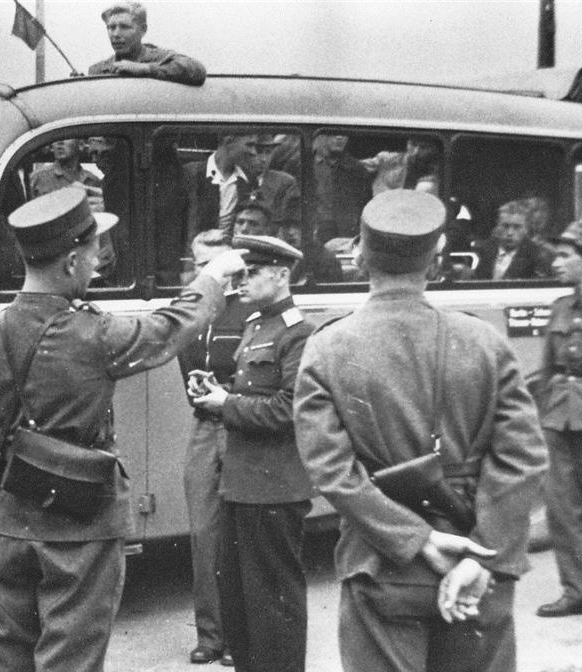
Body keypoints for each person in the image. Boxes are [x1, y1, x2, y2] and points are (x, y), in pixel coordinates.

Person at [0, 187, 245, 672]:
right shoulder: (92, 333)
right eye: (92, 255)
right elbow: (170, 327)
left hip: (7, 522)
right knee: (70, 660)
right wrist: (212, 277)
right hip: (82, 527)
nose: (96, 266)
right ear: (70, 262)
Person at [294, 190, 548, 672]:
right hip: (478, 559)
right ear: (438, 256)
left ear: (360, 256)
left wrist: (417, 539)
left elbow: (330, 471)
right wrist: (484, 556)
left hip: (382, 562)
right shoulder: (485, 341)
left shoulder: (327, 347)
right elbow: (525, 458)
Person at [192, 235, 314, 672]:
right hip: (242, 484)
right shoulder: (256, 324)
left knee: (273, 605)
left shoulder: (298, 332)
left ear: (281, 275)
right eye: (240, 273)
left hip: (273, 487)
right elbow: (252, 391)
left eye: (252, 273)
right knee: (240, 602)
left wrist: (226, 404)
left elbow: (289, 409)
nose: (241, 281)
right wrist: (218, 390)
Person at [176, 230, 250, 666]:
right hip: (204, 428)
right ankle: (210, 635)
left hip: (239, 430)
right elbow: (184, 357)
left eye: (212, 263)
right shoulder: (195, 309)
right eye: (198, 263)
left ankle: (237, 638)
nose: (203, 271)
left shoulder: (249, 310)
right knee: (203, 535)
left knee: (240, 537)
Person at [535, 219, 582, 618]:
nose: (556, 263)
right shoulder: (560, 307)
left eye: (565, 256)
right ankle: (575, 590)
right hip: (559, 416)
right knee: (561, 507)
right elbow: (547, 368)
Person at [88, 2, 206, 86]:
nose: (116, 34)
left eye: (124, 27)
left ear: (143, 29)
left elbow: (197, 70)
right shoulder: (98, 70)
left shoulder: (160, 57)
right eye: (111, 27)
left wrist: (145, 69)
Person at [186, 135, 259, 239]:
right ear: (229, 141)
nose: (253, 152)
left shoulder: (249, 180)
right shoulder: (191, 174)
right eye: (249, 145)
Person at [310, 134, 372, 243]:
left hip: (346, 238)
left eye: (343, 133)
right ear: (322, 135)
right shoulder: (305, 165)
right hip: (314, 235)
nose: (340, 137)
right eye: (333, 132)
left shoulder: (357, 170)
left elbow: (365, 208)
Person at [474, 199, 550, 280]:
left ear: (526, 229)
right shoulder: (483, 250)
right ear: (498, 226)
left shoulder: (536, 256)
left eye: (517, 227)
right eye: (505, 226)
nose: (510, 233)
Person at [360, 137, 441, 196]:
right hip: (377, 208)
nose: (416, 152)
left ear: (432, 149)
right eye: (413, 144)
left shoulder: (433, 172)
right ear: (408, 143)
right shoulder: (387, 159)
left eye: (424, 147)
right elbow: (358, 166)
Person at [30, 139, 103, 199]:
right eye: (56, 137)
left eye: (66, 138)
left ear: (81, 145)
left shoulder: (92, 181)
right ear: (52, 147)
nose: (59, 142)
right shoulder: (38, 178)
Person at [276, 220, 344, 285]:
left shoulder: (327, 260)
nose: (291, 232)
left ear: (314, 229)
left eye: (297, 226)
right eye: (287, 226)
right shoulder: (278, 257)